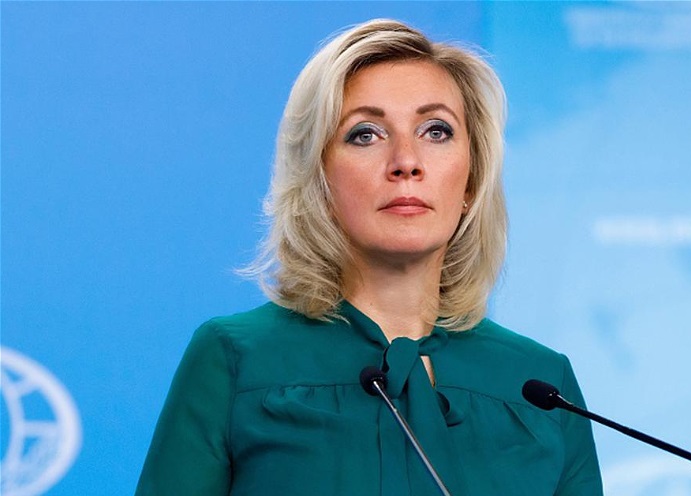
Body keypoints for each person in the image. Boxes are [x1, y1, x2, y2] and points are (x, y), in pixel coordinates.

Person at [136, 19, 603, 496]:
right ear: (319, 181)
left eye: (436, 130)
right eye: (366, 134)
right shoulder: (235, 359)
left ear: (471, 180)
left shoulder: (543, 386)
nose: (407, 161)